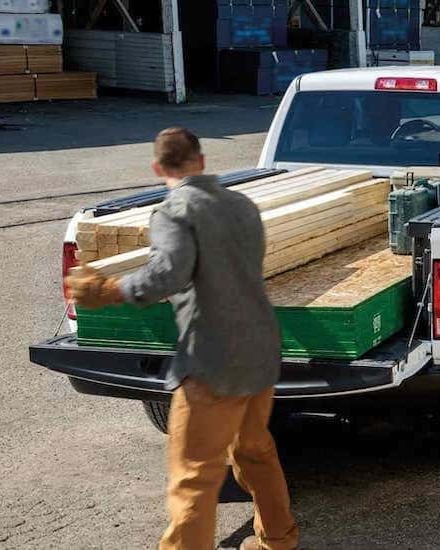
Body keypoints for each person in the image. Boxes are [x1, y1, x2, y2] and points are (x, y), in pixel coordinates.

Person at [66, 127, 299, 550]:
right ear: (202, 160)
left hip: (213, 360)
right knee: (254, 451)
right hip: (261, 350)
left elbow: (166, 275)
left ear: (158, 168)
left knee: (193, 476)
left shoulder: (174, 212)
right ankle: (278, 541)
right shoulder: (243, 204)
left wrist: (105, 290)